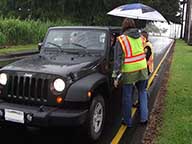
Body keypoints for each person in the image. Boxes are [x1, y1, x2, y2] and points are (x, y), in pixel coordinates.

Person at [112, 18, 148, 127]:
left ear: (124, 26)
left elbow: (117, 59)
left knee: (127, 96)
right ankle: (144, 119)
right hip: (142, 68)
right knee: (142, 92)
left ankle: (127, 121)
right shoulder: (141, 37)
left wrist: (115, 76)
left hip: (129, 70)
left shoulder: (121, 39)